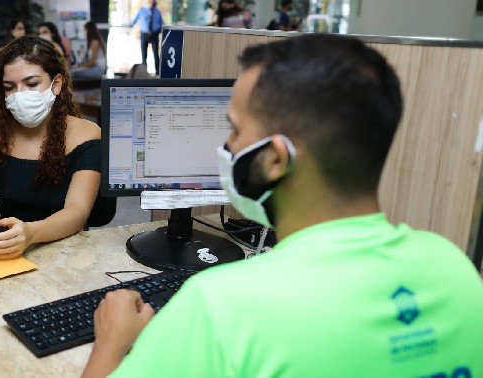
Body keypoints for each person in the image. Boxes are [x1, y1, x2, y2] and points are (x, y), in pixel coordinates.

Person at [82, 34, 483, 377]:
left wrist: (111, 344)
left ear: (275, 159)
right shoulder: (455, 270)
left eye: (235, 130)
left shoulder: (220, 306)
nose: (225, 147)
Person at [0, 35, 101, 259]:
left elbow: (77, 211)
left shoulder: (86, 135)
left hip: (67, 253)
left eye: (31, 84)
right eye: (10, 87)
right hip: (7, 251)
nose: (20, 96)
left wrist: (30, 233)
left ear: (56, 84)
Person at [130, 0, 163, 70]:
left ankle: (157, 72)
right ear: (148, 2)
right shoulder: (141, 10)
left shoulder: (157, 12)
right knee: (144, 55)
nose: (153, 4)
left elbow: (161, 23)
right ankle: (144, 72)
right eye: (151, 2)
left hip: (154, 35)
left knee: (155, 53)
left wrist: (162, 29)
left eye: (154, 3)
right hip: (144, 35)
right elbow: (134, 20)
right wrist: (130, 26)